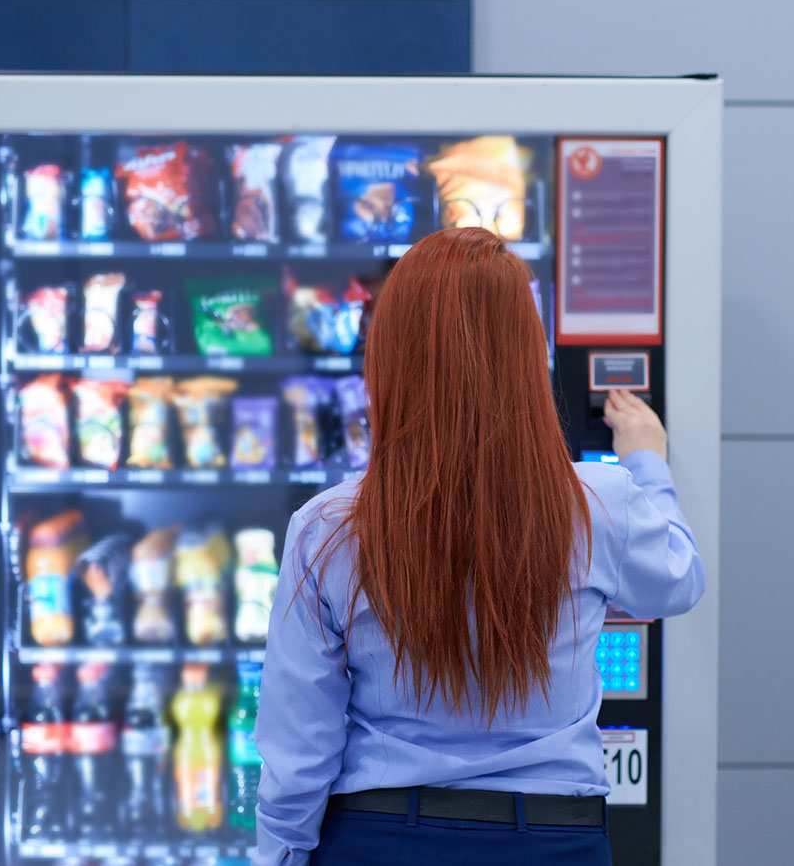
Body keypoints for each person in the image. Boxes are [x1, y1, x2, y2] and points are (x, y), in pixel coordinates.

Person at [252, 227, 704, 865]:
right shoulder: (602, 501)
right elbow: (680, 581)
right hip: (554, 842)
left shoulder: (328, 526)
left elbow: (300, 749)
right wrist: (647, 462)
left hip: (377, 841)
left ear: (388, 356)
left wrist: (281, 856)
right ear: (525, 352)